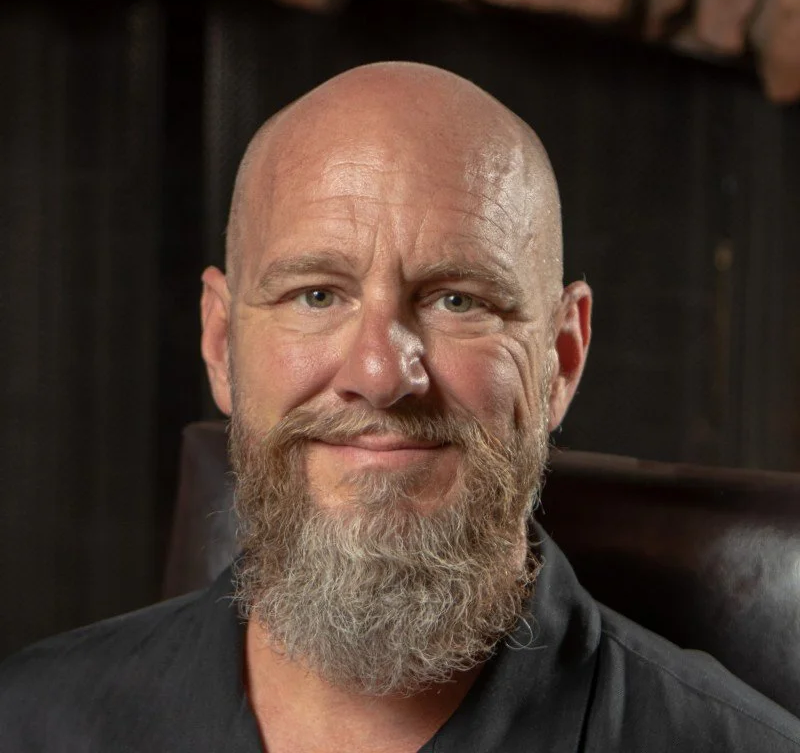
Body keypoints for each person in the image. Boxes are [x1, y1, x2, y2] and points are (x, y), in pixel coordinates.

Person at [1, 62, 799, 753]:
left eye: (457, 298)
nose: (380, 374)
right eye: (316, 294)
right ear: (219, 343)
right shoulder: (28, 725)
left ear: (561, 359)